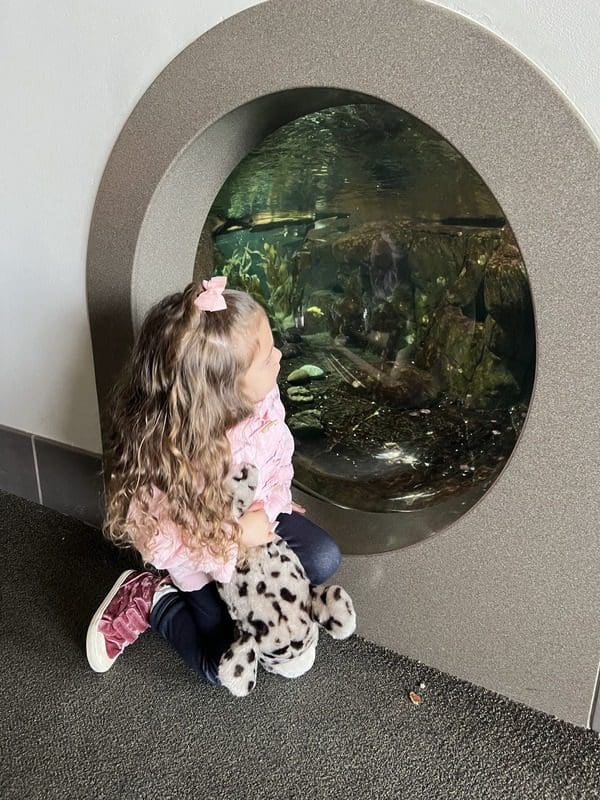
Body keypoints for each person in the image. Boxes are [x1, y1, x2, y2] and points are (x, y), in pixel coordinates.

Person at [86, 276, 342, 685]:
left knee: (323, 557)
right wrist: (237, 535)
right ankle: (153, 599)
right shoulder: (168, 454)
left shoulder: (262, 398)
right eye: (265, 358)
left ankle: (238, 601)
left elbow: (277, 453)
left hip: (256, 525)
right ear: (224, 392)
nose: (278, 355)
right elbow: (166, 541)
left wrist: (277, 499)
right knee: (220, 667)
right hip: (197, 558)